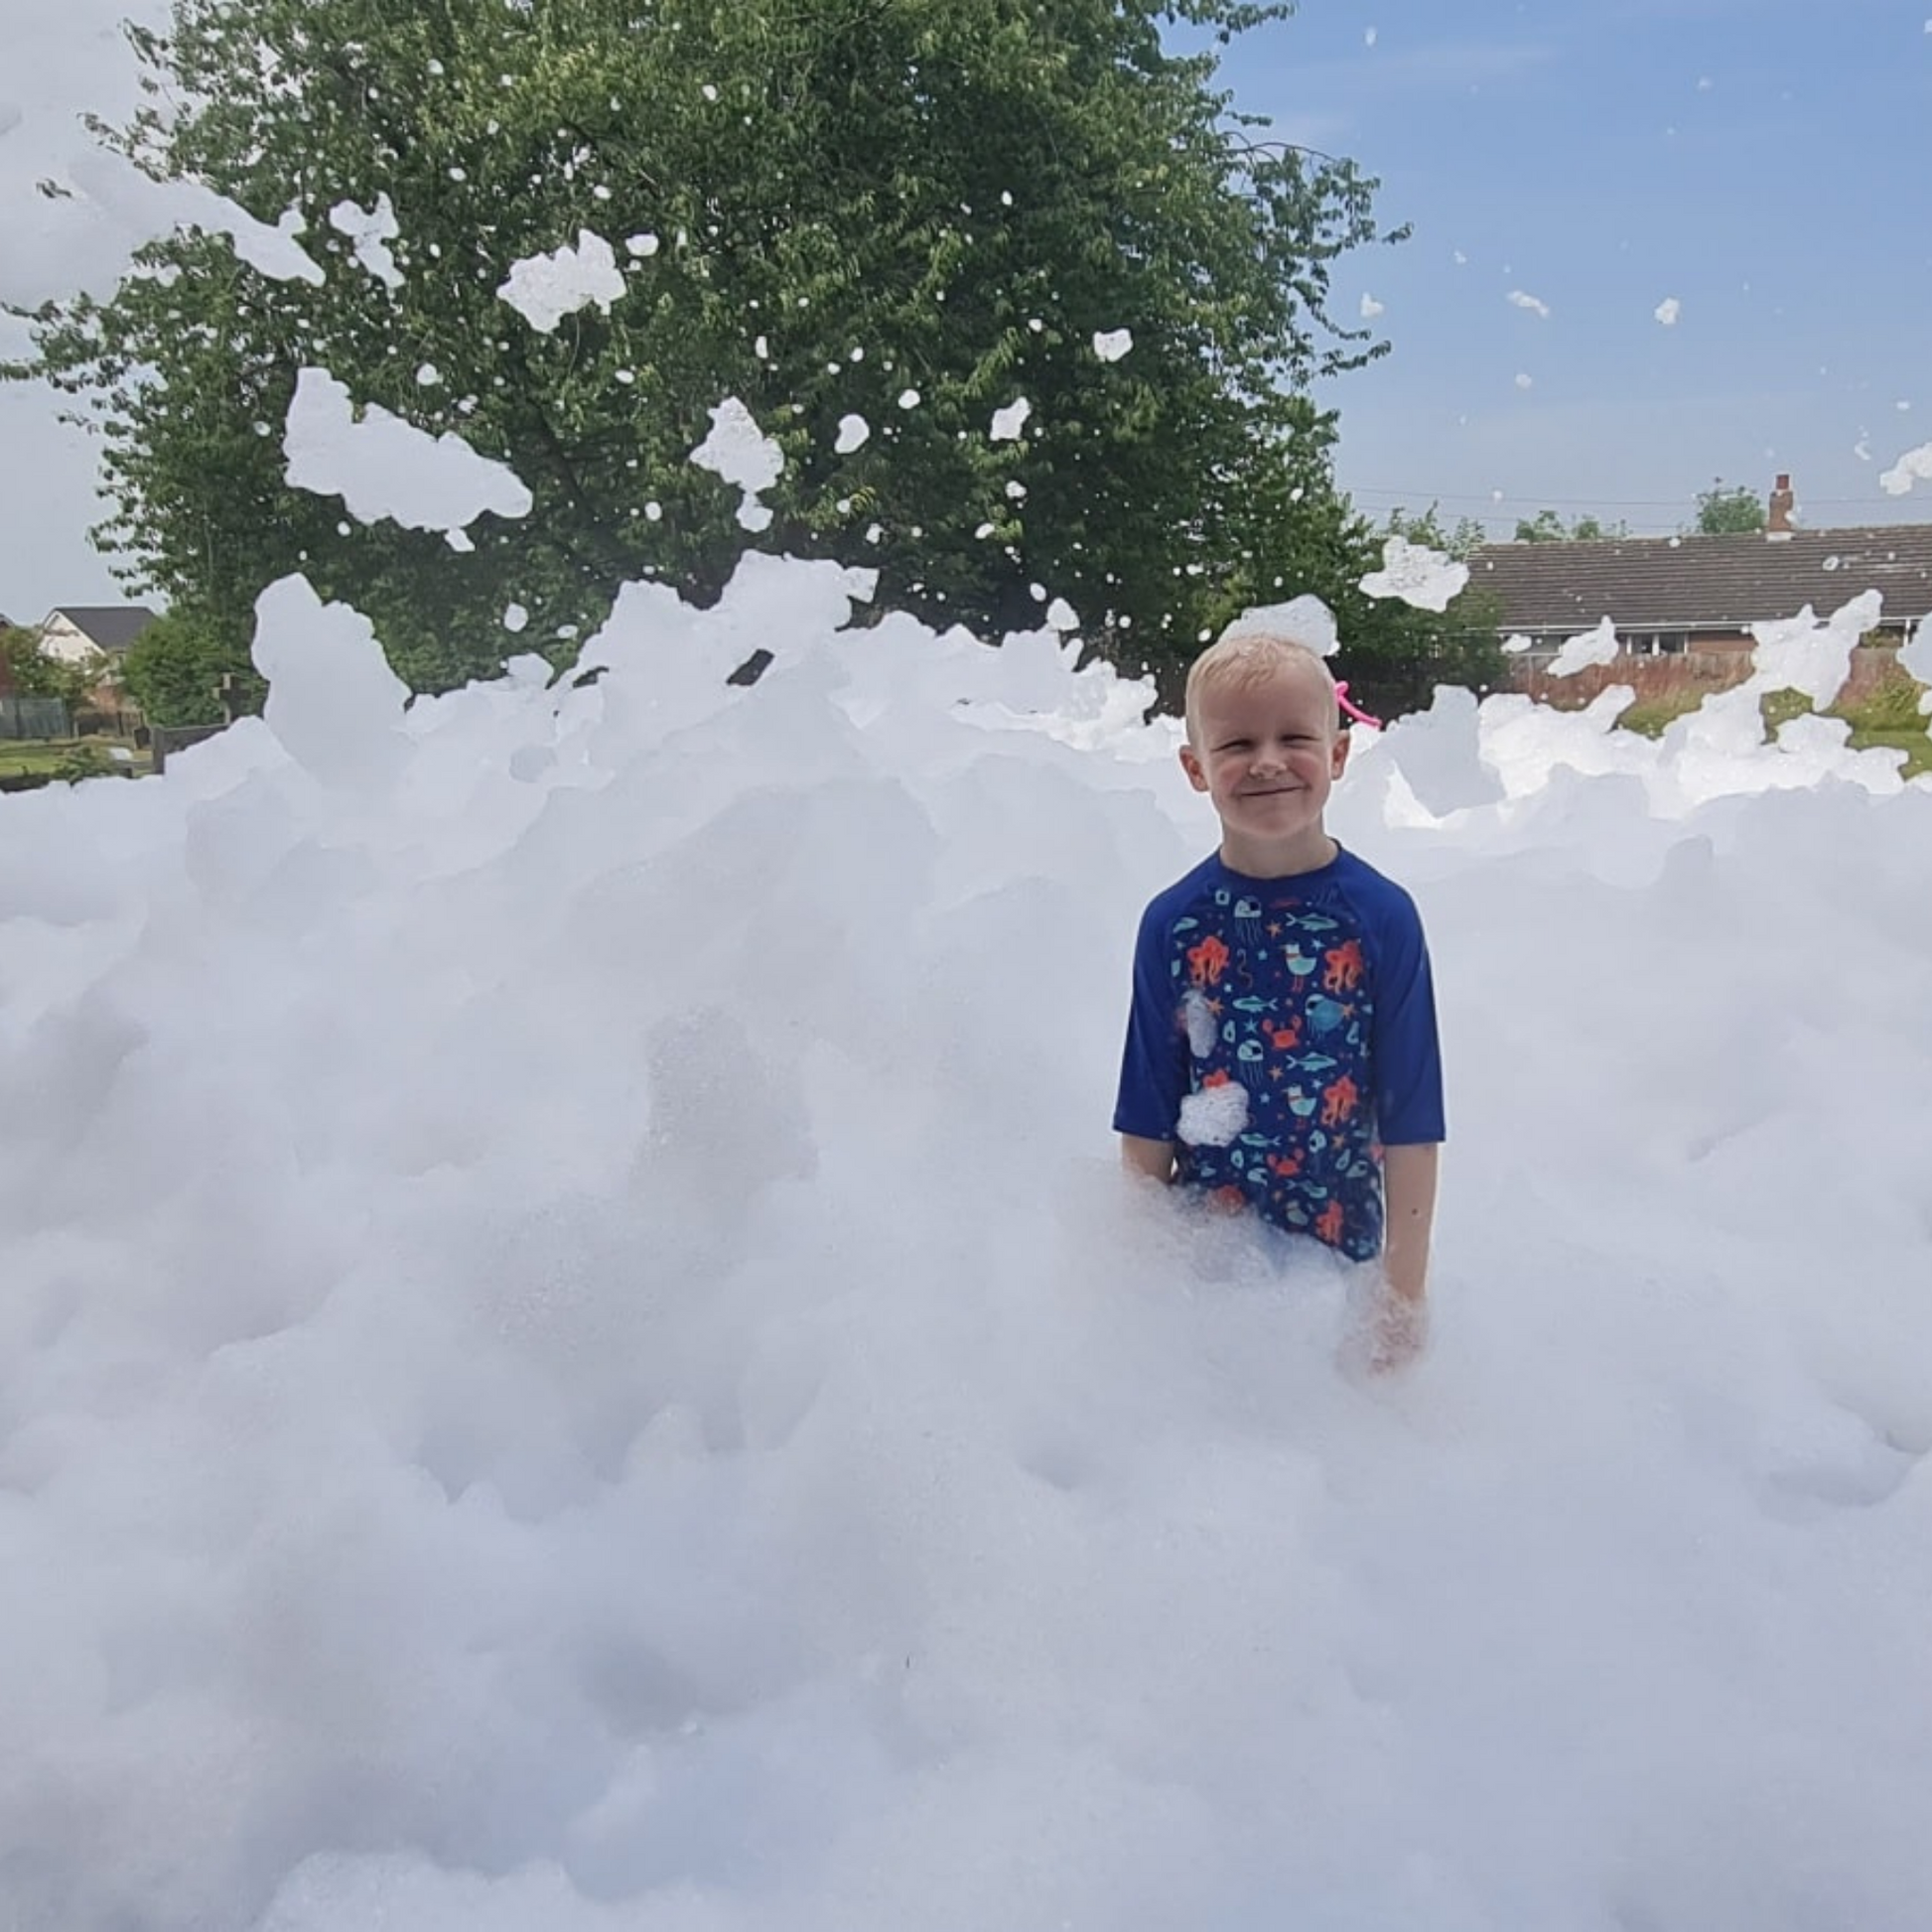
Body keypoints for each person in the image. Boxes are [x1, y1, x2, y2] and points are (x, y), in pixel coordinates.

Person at [1113, 628, 1445, 1369]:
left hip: (1341, 1273)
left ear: (1337, 753)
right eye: (1236, 745)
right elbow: (1147, 1117)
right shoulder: (1173, 924)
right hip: (1207, 1272)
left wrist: (1402, 1293)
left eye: (1294, 735)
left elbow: (1413, 1119)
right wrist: (1134, 1289)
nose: (1266, 761)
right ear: (1196, 768)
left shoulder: (1382, 917)